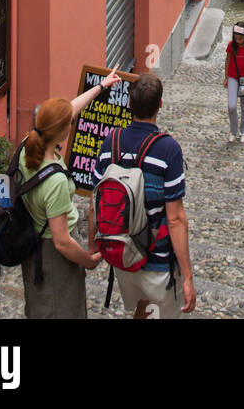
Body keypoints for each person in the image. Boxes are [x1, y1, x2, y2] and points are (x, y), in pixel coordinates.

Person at [92, 71, 196, 318]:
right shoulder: (167, 149)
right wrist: (187, 275)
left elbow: (95, 200)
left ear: (129, 104)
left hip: (122, 252)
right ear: (160, 105)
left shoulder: (110, 142)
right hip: (156, 258)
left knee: (142, 308)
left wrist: (92, 247)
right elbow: (175, 218)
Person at [19, 73, 121, 317]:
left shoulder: (27, 146)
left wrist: (100, 87)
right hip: (52, 258)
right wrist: (88, 260)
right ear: (64, 131)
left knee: (39, 306)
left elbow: (67, 112)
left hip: (31, 242)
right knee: (61, 309)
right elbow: (62, 242)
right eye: (70, 122)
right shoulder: (55, 181)